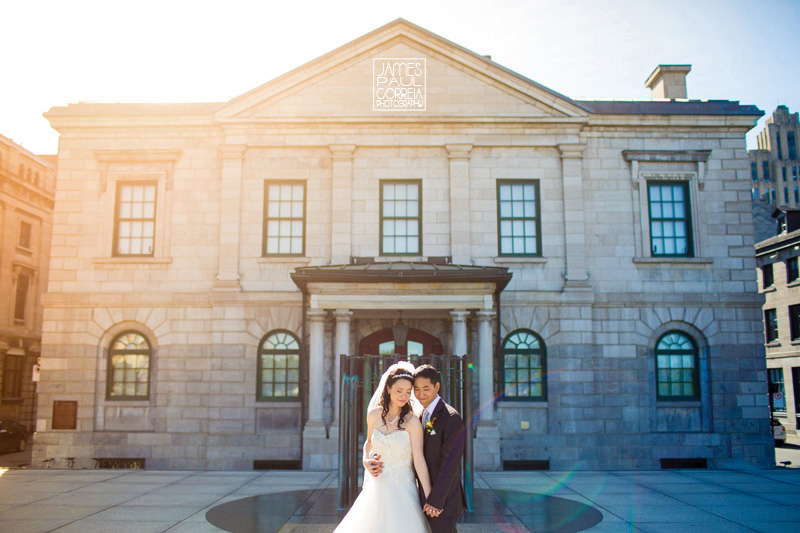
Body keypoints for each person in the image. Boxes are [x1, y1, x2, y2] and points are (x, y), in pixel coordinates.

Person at [334, 362, 432, 533]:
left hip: (403, 487)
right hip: (377, 485)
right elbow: (369, 442)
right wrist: (366, 460)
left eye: (408, 392)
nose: (404, 396)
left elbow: (419, 458)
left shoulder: (412, 421)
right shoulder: (373, 415)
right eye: (399, 391)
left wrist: (430, 492)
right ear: (388, 388)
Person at [413, 364, 467, 533]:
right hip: (424, 497)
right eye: (416, 389)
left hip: (442, 501)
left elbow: (450, 466)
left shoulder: (451, 417)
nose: (421, 394)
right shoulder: (420, 414)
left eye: (426, 389)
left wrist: (435, 501)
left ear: (437, 387)